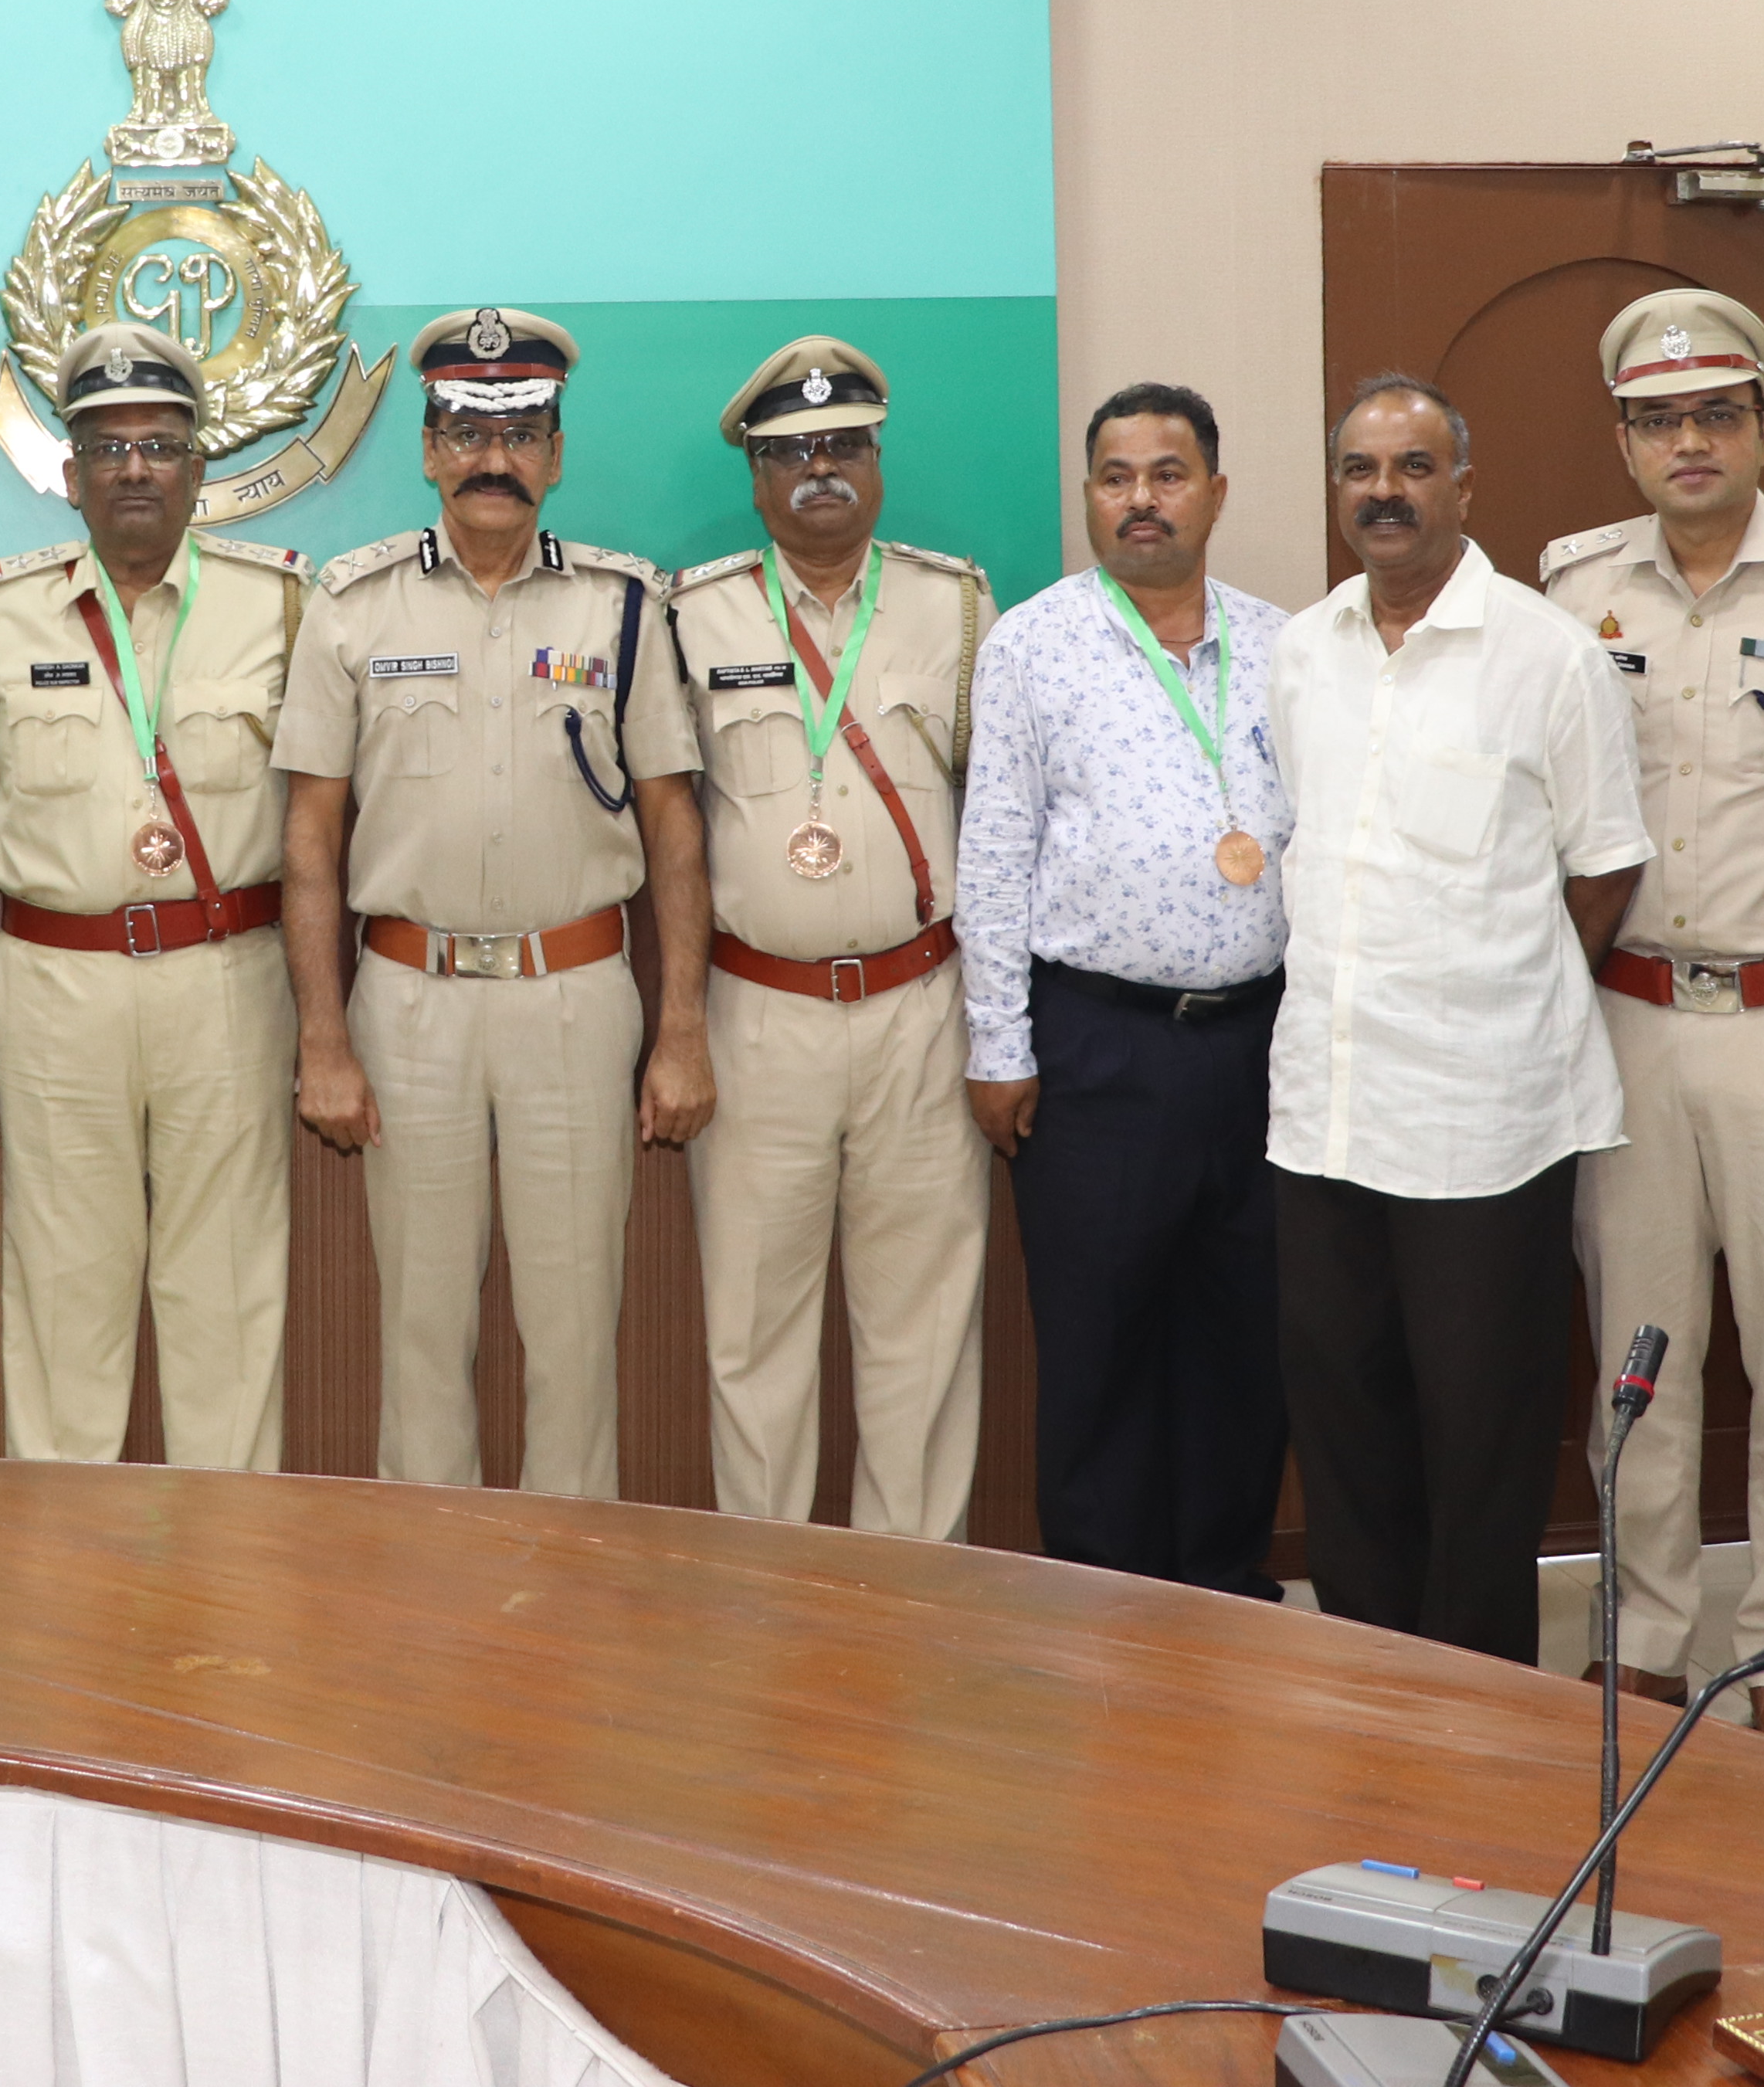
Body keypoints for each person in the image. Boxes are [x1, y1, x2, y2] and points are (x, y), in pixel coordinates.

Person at [1538, 289, 1764, 1756]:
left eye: (1715, 413)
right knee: (1641, 1354)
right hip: (1628, 1017)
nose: (1687, 441)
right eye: (1656, 420)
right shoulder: (1573, 588)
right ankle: (1642, 1640)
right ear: (1623, 439)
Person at [280, 307, 710, 1502]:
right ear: (428, 451)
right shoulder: (352, 605)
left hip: (573, 997)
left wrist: (681, 1028)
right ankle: (432, 1581)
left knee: (575, 1330)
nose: (493, 460)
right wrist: (323, 1040)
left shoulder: (622, 606)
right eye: (468, 434)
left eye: (520, 435)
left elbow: (674, 824)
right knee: (422, 1329)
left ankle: (567, 1579)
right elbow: (310, 839)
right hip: (407, 1000)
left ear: (556, 456)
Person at [1269, 375, 1650, 1663]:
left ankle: (1482, 1711)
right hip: (1326, 1114)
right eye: (1361, 469)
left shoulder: (1548, 655)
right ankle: (1369, 1686)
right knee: (1345, 1429)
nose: (1385, 492)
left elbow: (1604, 869)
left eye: (1415, 466)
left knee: (1482, 1443)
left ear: (1465, 488)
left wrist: (1499, 994)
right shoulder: (1303, 651)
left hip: (1485, 1123)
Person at [0, 323, 307, 1469]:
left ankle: (227, 1547)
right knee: (64, 1284)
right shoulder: (7, 614)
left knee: (227, 1289)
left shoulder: (282, 606)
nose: (134, 468)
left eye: (159, 445)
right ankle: (59, 1552)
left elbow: (319, 816)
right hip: (58, 984)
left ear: (199, 468)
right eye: (107, 447)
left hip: (226, 979)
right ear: (70, 473)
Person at [955, 381, 1292, 1590]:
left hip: (1259, 1048)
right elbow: (994, 852)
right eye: (1116, 477)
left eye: (1167, 474)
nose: (1141, 500)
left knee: (1242, 1345)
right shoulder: (1032, 644)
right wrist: (999, 1046)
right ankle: (1103, 1616)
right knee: (1098, 1352)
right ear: (1090, 496)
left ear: (1215, 492)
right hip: (1096, 1048)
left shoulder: (1288, 645)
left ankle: (1228, 1600)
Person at [658, 338, 996, 1540]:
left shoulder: (958, 606)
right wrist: (679, 1033)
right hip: (759, 1019)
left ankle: (913, 1591)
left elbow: (1001, 822)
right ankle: (766, 1595)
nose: (821, 471)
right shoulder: (690, 616)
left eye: (845, 445)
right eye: (792, 452)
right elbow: (672, 834)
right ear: (756, 478)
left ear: (878, 461)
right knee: (753, 1331)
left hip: (921, 1010)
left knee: (924, 1327)